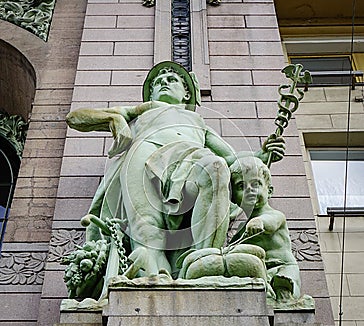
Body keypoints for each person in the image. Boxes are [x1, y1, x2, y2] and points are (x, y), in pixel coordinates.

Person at [66, 61, 285, 278]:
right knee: (147, 226)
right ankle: (151, 275)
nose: (164, 83)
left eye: (171, 80)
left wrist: (261, 156)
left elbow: (231, 160)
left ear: (187, 94)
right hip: (145, 154)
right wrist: (113, 117)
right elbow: (75, 117)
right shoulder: (143, 110)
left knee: (216, 169)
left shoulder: (198, 122)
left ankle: (204, 261)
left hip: (190, 159)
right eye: (158, 82)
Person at [229, 156, 301, 301]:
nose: (249, 190)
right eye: (241, 186)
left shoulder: (275, 215)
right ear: (234, 199)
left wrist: (259, 222)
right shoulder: (241, 230)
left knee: (283, 284)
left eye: (255, 184)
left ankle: (285, 292)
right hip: (258, 272)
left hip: (282, 267)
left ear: (270, 191)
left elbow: (271, 223)